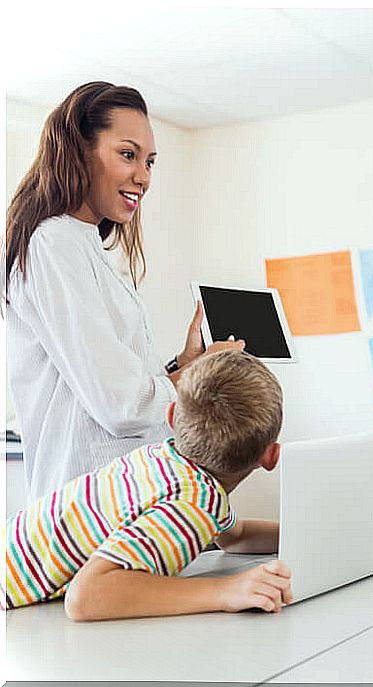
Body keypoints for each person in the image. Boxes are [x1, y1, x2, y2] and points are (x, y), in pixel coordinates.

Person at [5, 81, 242, 500]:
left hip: (119, 496)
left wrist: (180, 365)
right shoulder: (53, 244)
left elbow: (115, 387)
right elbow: (122, 406)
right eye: (128, 155)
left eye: (150, 161)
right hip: (86, 506)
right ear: (79, 151)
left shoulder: (84, 245)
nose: (144, 177)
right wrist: (198, 374)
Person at [4, 350, 292, 620]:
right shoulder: (195, 504)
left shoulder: (165, 460)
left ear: (171, 417)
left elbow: (235, 536)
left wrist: (300, 534)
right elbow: (86, 597)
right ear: (270, 457)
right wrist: (225, 591)